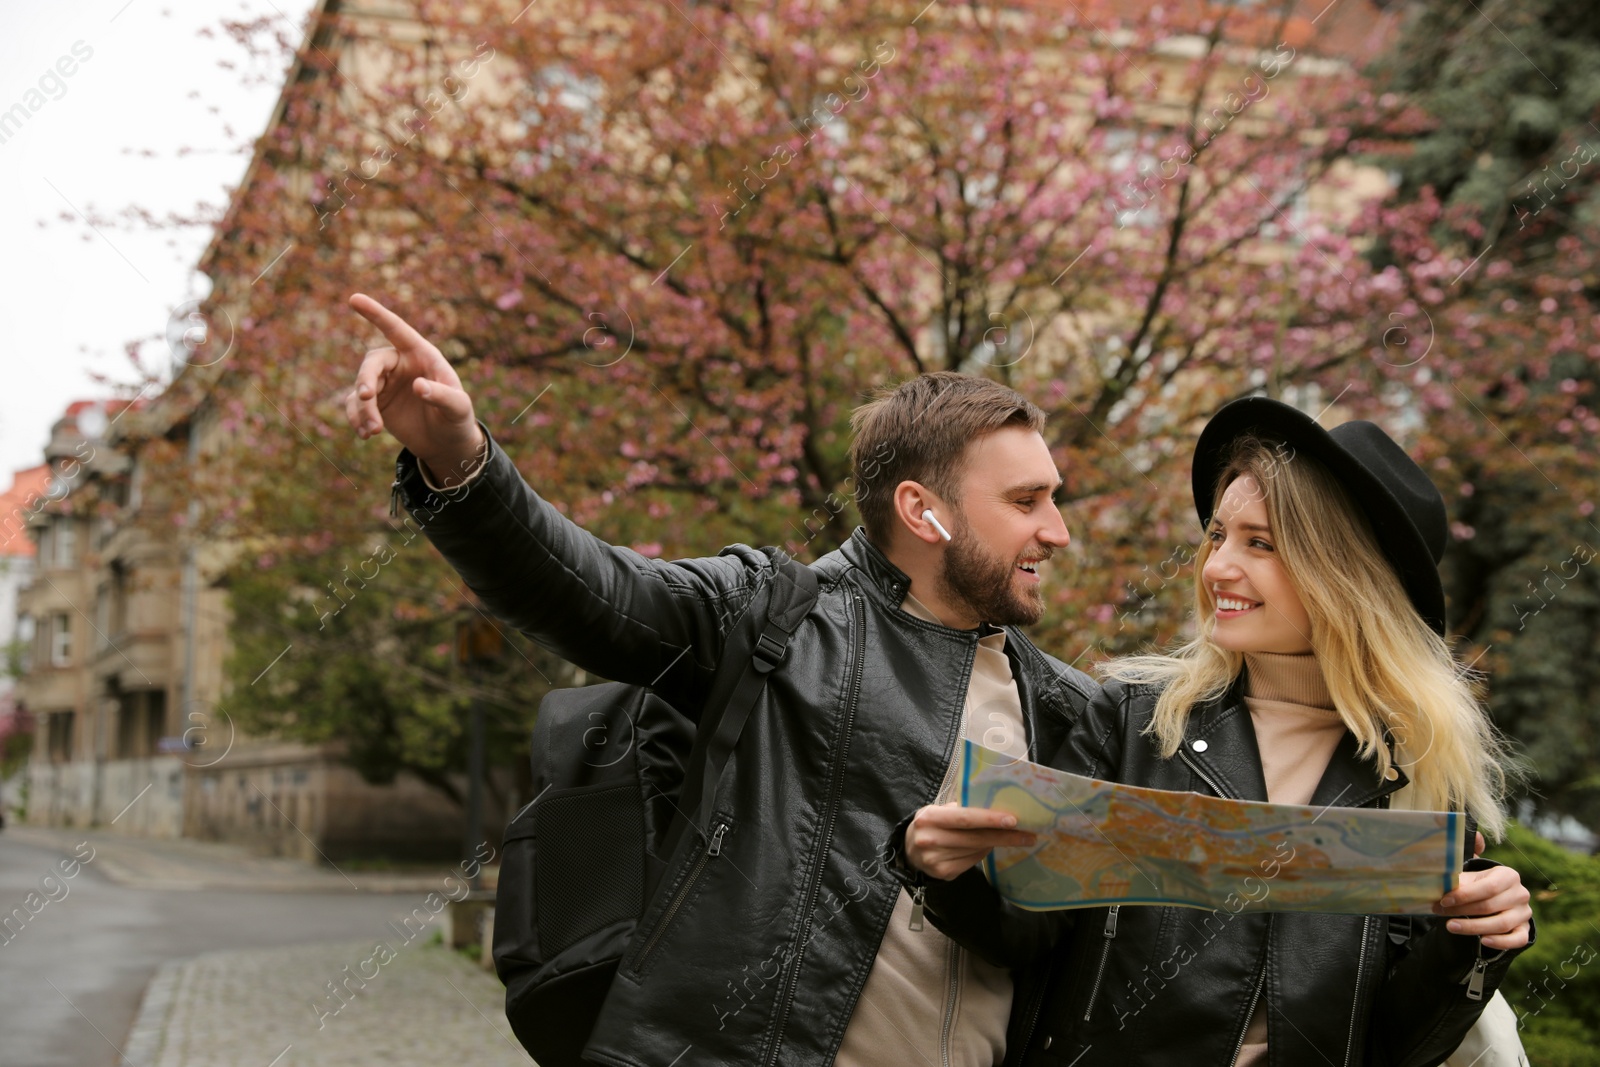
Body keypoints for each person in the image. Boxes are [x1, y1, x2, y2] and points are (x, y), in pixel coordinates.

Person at [343, 292, 1099, 1067]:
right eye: (1025, 501)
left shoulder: (1064, 711)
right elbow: (590, 591)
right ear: (922, 510)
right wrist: (463, 462)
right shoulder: (776, 616)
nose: (1057, 530)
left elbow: (1041, 937)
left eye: (1054, 499)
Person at [899, 396, 1533, 1067]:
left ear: (1345, 575)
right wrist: (948, 871)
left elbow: (1396, 1043)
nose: (1216, 568)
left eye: (1259, 543)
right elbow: (1024, 935)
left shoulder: (1416, 771)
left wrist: (1478, 938)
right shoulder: (1134, 720)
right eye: (1217, 536)